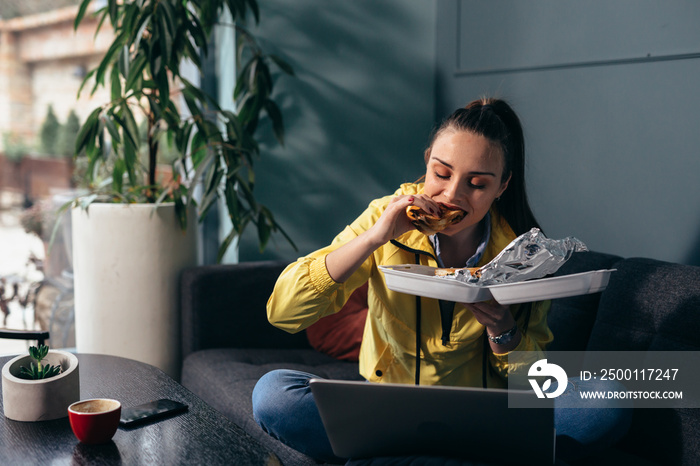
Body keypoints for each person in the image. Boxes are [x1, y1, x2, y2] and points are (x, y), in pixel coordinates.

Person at [253, 98, 631, 464]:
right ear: (427, 163)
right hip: (390, 410)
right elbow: (282, 312)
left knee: (604, 403)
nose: (452, 196)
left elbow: (533, 382)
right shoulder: (384, 219)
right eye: (442, 173)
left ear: (502, 186)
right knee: (273, 394)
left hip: (484, 416)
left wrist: (503, 330)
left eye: (477, 184)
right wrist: (373, 239)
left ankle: (392, 458)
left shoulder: (526, 252)